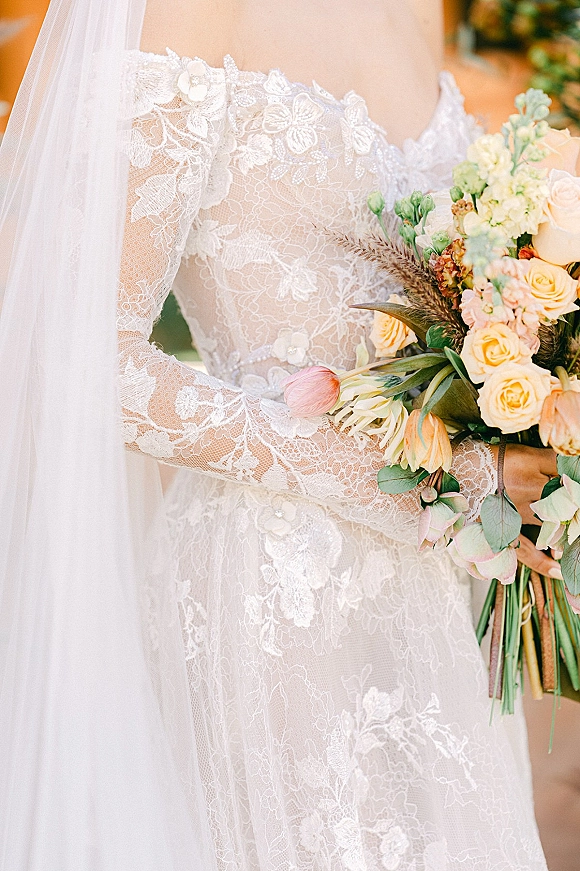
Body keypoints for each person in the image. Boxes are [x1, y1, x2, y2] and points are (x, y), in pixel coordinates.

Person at [0, 0, 559, 868]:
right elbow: (83, 357)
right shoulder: (184, 11)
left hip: (442, 593)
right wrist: (430, 479)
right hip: (275, 588)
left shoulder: (417, 9)